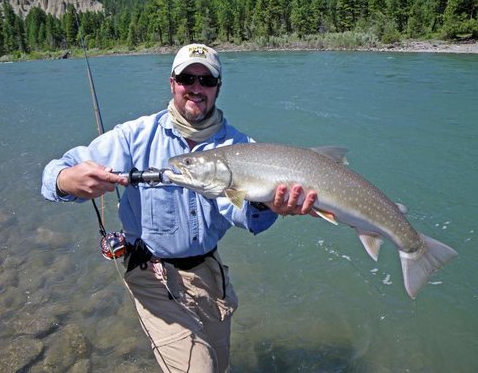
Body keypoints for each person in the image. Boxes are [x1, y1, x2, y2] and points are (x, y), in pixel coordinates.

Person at [41, 43, 317, 372]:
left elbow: (245, 217)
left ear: (218, 88)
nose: (196, 88)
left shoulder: (240, 147)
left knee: (219, 362)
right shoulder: (133, 136)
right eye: (187, 78)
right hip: (152, 274)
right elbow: (55, 173)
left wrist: (268, 204)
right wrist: (66, 179)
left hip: (210, 274)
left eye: (207, 80)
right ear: (172, 83)